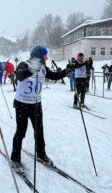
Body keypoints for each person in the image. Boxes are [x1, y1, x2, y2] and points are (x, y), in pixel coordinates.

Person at [10, 46, 69, 175]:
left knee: (39, 131)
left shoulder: (43, 68)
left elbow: (54, 76)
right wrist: (31, 70)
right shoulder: (23, 64)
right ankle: (15, 158)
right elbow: (19, 76)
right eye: (45, 55)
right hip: (22, 104)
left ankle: (41, 154)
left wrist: (66, 71)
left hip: (36, 104)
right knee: (21, 131)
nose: (47, 58)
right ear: (39, 55)